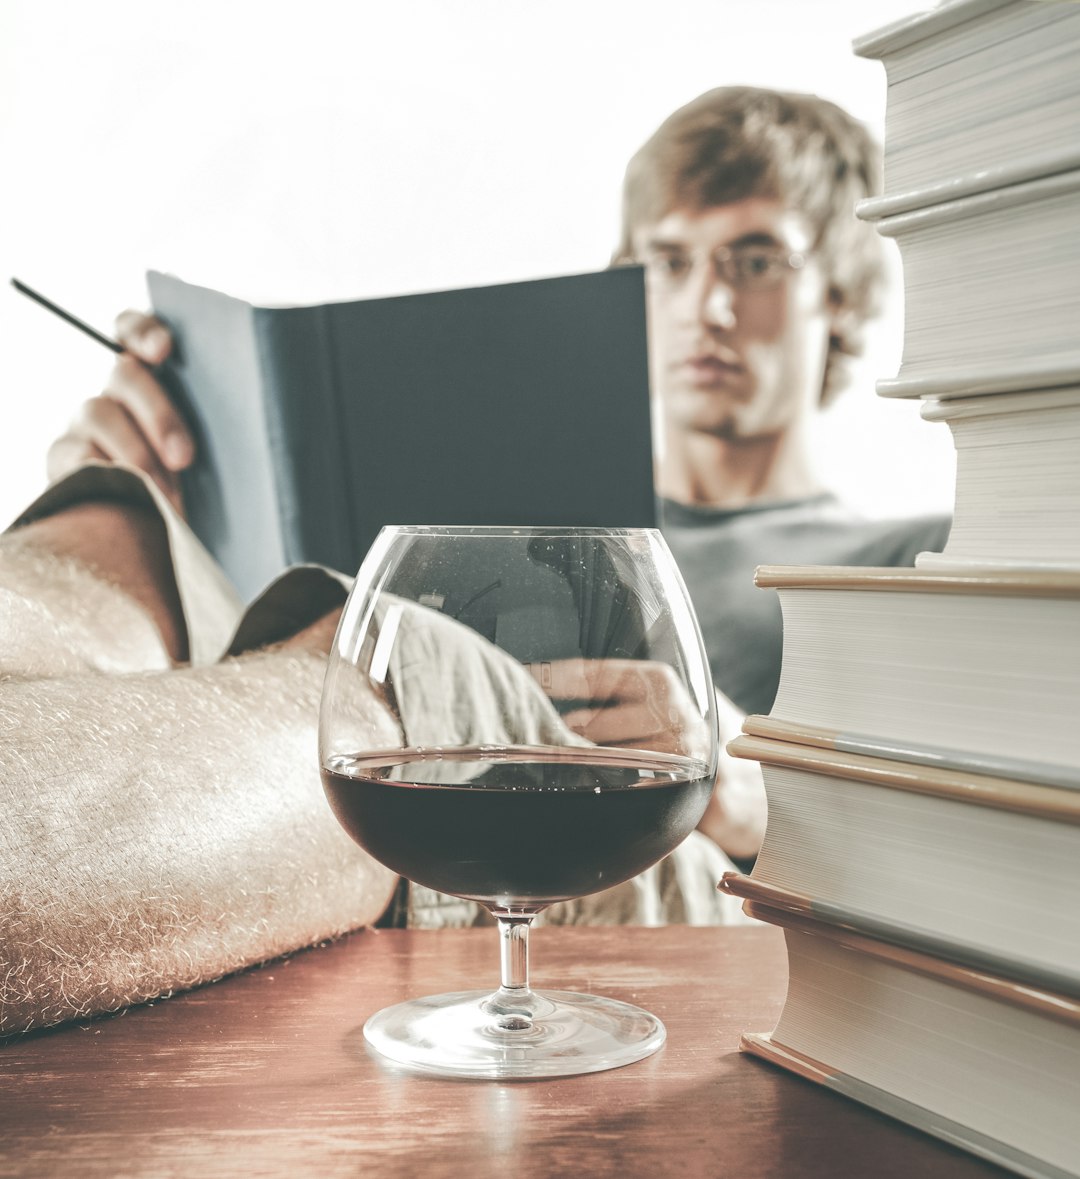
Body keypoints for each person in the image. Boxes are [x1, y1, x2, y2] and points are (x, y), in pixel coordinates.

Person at [7, 86, 950, 1032]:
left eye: (756, 260)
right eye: (669, 261)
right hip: (418, 778)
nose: (707, 304)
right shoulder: (532, 485)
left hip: (666, 867)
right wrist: (161, 480)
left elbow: (974, 864)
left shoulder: (905, 557)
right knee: (119, 532)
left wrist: (756, 786)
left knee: (412, 669)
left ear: (841, 294)